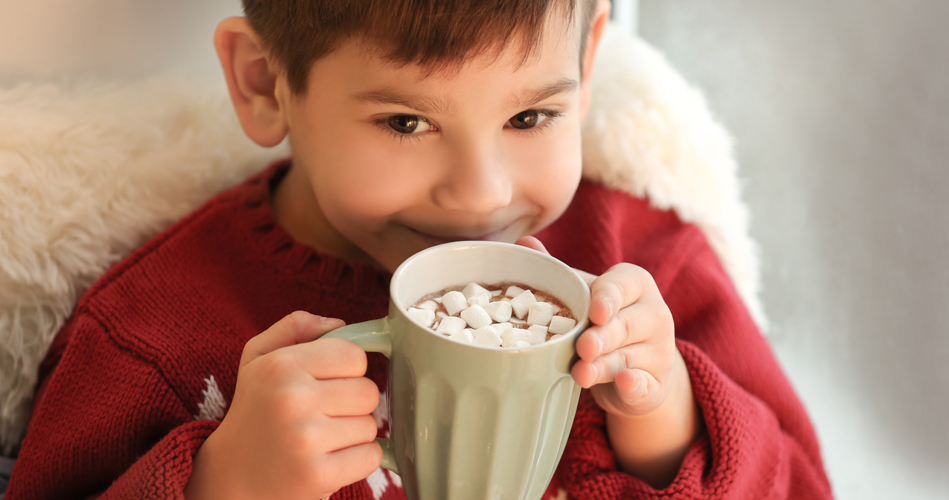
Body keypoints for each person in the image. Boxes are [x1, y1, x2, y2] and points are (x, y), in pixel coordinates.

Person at [5, 0, 833, 498]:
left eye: (529, 117)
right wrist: (221, 482)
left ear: (585, 64)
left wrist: (667, 424)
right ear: (265, 83)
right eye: (405, 123)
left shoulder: (649, 269)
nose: (480, 193)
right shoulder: (152, 333)